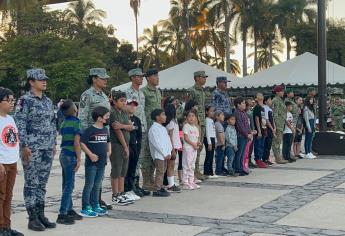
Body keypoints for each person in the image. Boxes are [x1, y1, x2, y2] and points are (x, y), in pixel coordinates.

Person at [14, 68, 57, 231]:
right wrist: (24, 145)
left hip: (46, 147)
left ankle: (41, 214)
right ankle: (32, 218)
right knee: (32, 183)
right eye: (40, 79)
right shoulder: (25, 100)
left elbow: (53, 123)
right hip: (31, 148)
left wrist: (53, 143)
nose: (44, 81)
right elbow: (20, 124)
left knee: (42, 184)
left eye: (45, 79)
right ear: (31, 82)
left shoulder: (47, 100)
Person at [78, 68, 111, 210]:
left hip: (103, 137)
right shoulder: (87, 95)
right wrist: (88, 138)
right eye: (102, 78)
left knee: (100, 175)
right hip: (92, 138)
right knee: (92, 174)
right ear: (94, 78)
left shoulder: (104, 95)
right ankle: (89, 203)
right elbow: (83, 118)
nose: (105, 80)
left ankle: (96, 199)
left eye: (105, 78)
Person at [0, 87, 23, 236]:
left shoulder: (10, 118)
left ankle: (7, 226)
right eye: (8, 100)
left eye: (12, 100)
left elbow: (14, 140)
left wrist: (15, 161)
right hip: (1, 164)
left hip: (12, 162)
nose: (11, 103)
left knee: (8, 196)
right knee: (0, 196)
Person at [80, 106, 111, 217]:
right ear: (99, 118)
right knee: (89, 184)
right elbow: (82, 143)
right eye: (106, 116)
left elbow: (108, 141)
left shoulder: (105, 129)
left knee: (97, 184)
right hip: (91, 164)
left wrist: (109, 151)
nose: (108, 118)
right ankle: (85, 207)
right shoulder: (90, 130)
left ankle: (95, 204)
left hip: (102, 163)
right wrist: (90, 154)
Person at [57, 100, 83, 225]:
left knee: (66, 183)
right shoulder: (76, 122)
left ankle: (69, 209)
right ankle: (62, 213)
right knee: (69, 186)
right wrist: (79, 159)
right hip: (70, 155)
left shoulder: (64, 123)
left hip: (63, 155)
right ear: (74, 110)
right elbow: (76, 142)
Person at [124, 68, 148, 195]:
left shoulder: (142, 93)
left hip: (142, 127)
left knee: (140, 157)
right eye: (139, 76)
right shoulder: (127, 92)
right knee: (133, 157)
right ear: (133, 77)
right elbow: (125, 110)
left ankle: (137, 184)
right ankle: (130, 184)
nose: (142, 78)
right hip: (132, 128)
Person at [109, 92, 136, 205]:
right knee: (116, 169)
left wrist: (123, 126)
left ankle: (121, 192)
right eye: (121, 100)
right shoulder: (113, 113)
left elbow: (131, 126)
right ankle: (115, 194)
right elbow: (117, 130)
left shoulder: (124, 112)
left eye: (125, 100)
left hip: (126, 144)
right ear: (114, 101)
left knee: (123, 170)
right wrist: (125, 147)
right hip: (117, 144)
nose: (124, 103)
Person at [141, 68, 162, 191]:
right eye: (155, 76)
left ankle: (152, 179)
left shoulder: (158, 92)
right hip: (148, 126)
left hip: (157, 127)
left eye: (158, 76)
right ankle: (146, 181)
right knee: (147, 154)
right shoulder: (143, 92)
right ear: (148, 78)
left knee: (155, 153)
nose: (157, 78)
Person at [187, 71, 209, 181]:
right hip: (195, 123)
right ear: (196, 78)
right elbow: (189, 108)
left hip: (202, 122)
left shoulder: (202, 91)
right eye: (203, 77)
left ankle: (196, 171)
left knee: (199, 148)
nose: (205, 79)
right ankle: (193, 172)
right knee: (194, 147)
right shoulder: (192, 91)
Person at [148, 109, 172, 197]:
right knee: (160, 171)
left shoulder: (163, 128)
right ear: (157, 117)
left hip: (165, 154)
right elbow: (156, 143)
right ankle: (157, 189)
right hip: (159, 155)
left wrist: (169, 152)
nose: (165, 116)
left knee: (163, 171)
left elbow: (168, 141)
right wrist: (164, 153)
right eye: (163, 114)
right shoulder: (153, 129)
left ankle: (160, 186)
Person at [124, 99, 144, 198]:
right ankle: (124, 190)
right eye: (130, 104)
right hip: (126, 147)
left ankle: (131, 188)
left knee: (132, 169)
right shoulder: (122, 117)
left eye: (134, 105)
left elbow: (139, 135)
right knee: (125, 170)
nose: (132, 107)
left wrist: (138, 147)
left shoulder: (137, 120)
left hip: (135, 147)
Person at [164, 104, 182, 192]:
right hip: (172, 147)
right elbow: (170, 136)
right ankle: (170, 185)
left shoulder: (174, 121)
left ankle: (171, 182)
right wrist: (172, 149)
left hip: (175, 146)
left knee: (171, 165)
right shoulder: (170, 122)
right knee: (170, 166)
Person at [181, 110, 200, 190]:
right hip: (188, 148)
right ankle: (185, 182)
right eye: (189, 116)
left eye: (193, 116)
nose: (191, 118)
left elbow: (197, 138)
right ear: (186, 118)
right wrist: (193, 144)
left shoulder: (196, 128)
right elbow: (186, 138)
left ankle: (191, 181)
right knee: (187, 165)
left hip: (194, 149)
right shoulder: (186, 126)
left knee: (192, 165)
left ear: (195, 117)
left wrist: (198, 144)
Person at [233, 97, 252, 175]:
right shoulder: (236, 113)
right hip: (240, 135)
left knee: (243, 153)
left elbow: (247, 124)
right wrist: (246, 134)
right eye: (243, 103)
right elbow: (240, 126)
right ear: (238, 105)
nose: (245, 105)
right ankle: (237, 168)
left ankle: (241, 167)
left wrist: (250, 132)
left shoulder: (243, 112)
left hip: (245, 136)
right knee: (239, 153)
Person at [271, 85, 289, 164]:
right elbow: (274, 114)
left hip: (281, 123)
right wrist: (275, 125)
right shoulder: (275, 100)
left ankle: (279, 157)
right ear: (277, 92)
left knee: (278, 141)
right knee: (276, 142)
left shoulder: (280, 100)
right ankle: (278, 158)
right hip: (278, 124)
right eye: (281, 91)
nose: (283, 92)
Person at [253, 93, 268, 168]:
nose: (261, 96)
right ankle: (258, 160)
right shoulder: (257, 107)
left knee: (262, 145)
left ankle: (260, 159)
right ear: (256, 98)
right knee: (258, 145)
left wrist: (265, 129)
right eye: (259, 95)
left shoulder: (262, 107)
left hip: (264, 129)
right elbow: (257, 118)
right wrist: (259, 131)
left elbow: (264, 119)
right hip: (259, 130)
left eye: (262, 95)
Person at [262, 96, 275, 166]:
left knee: (269, 144)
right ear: (265, 101)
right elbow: (267, 120)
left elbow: (272, 120)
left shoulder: (270, 109)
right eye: (269, 100)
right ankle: (264, 159)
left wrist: (274, 127)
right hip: (268, 128)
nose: (271, 101)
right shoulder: (264, 108)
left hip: (271, 128)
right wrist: (272, 128)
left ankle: (267, 158)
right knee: (266, 144)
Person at [204, 105, 216, 177]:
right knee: (209, 156)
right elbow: (208, 132)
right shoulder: (207, 120)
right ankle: (207, 172)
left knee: (211, 156)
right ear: (206, 112)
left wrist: (215, 141)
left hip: (212, 138)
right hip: (209, 139)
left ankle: (211, 172)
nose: (212, 113)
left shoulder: (211, 120)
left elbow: (213, 131)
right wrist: (209, 143)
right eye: (211, 111)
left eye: (213, 111)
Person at [214, 111, 226, 176]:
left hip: (219, 144)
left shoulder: (218, 124)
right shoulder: (218, 124)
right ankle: (218, 171)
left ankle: (221, 169)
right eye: (221, 115)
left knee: (221, 158)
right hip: (220, 144)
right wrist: (223, 144)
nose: (223, 116)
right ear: (217, 117)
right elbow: (220, 134)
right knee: (220, 158)